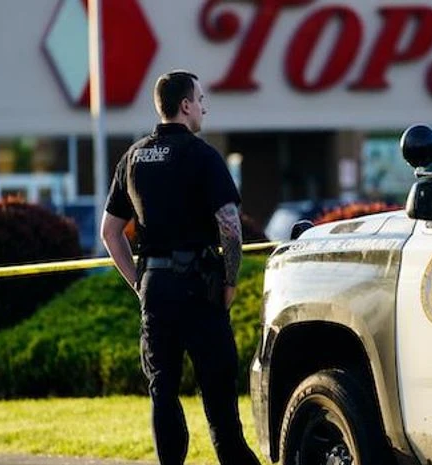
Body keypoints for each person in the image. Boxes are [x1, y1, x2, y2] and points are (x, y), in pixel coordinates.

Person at [100, 70, 261, 465]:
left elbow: (110, 232)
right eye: (201, 99)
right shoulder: (202, 155)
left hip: (155, 289)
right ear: (185, 105)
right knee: (221, 405)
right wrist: (230, 278)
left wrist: (140, 282)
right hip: (200, 289)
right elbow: (230, 226)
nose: (204, 107)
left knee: (163, 394)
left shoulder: (132, 157)